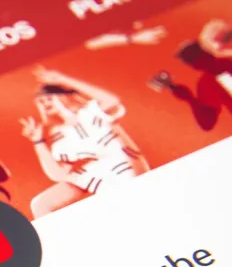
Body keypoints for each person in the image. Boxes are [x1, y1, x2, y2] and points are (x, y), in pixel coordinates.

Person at [20, 67, 150, 218]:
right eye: (40, 102)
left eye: (49, 98)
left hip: (124, 166)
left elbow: (111, 101)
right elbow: (58, 174)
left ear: (65, 95)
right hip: (97, 174)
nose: (45, 104)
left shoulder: (90, 113)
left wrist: (63, 79)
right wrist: (38, 141)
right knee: (40, 204)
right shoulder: (59, 136)